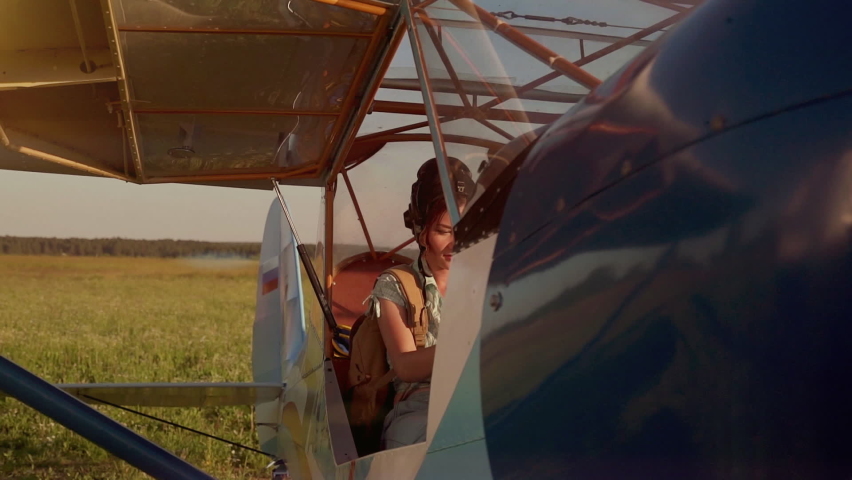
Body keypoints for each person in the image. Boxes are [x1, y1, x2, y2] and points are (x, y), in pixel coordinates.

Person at [366, 157, 473, 449]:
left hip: (483, 399)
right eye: (443, 231)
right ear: (422, 232)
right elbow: (406, 366)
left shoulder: (487, 281)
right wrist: (470, 346)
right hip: (420, 405)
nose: (457, 243)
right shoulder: (396, 283)